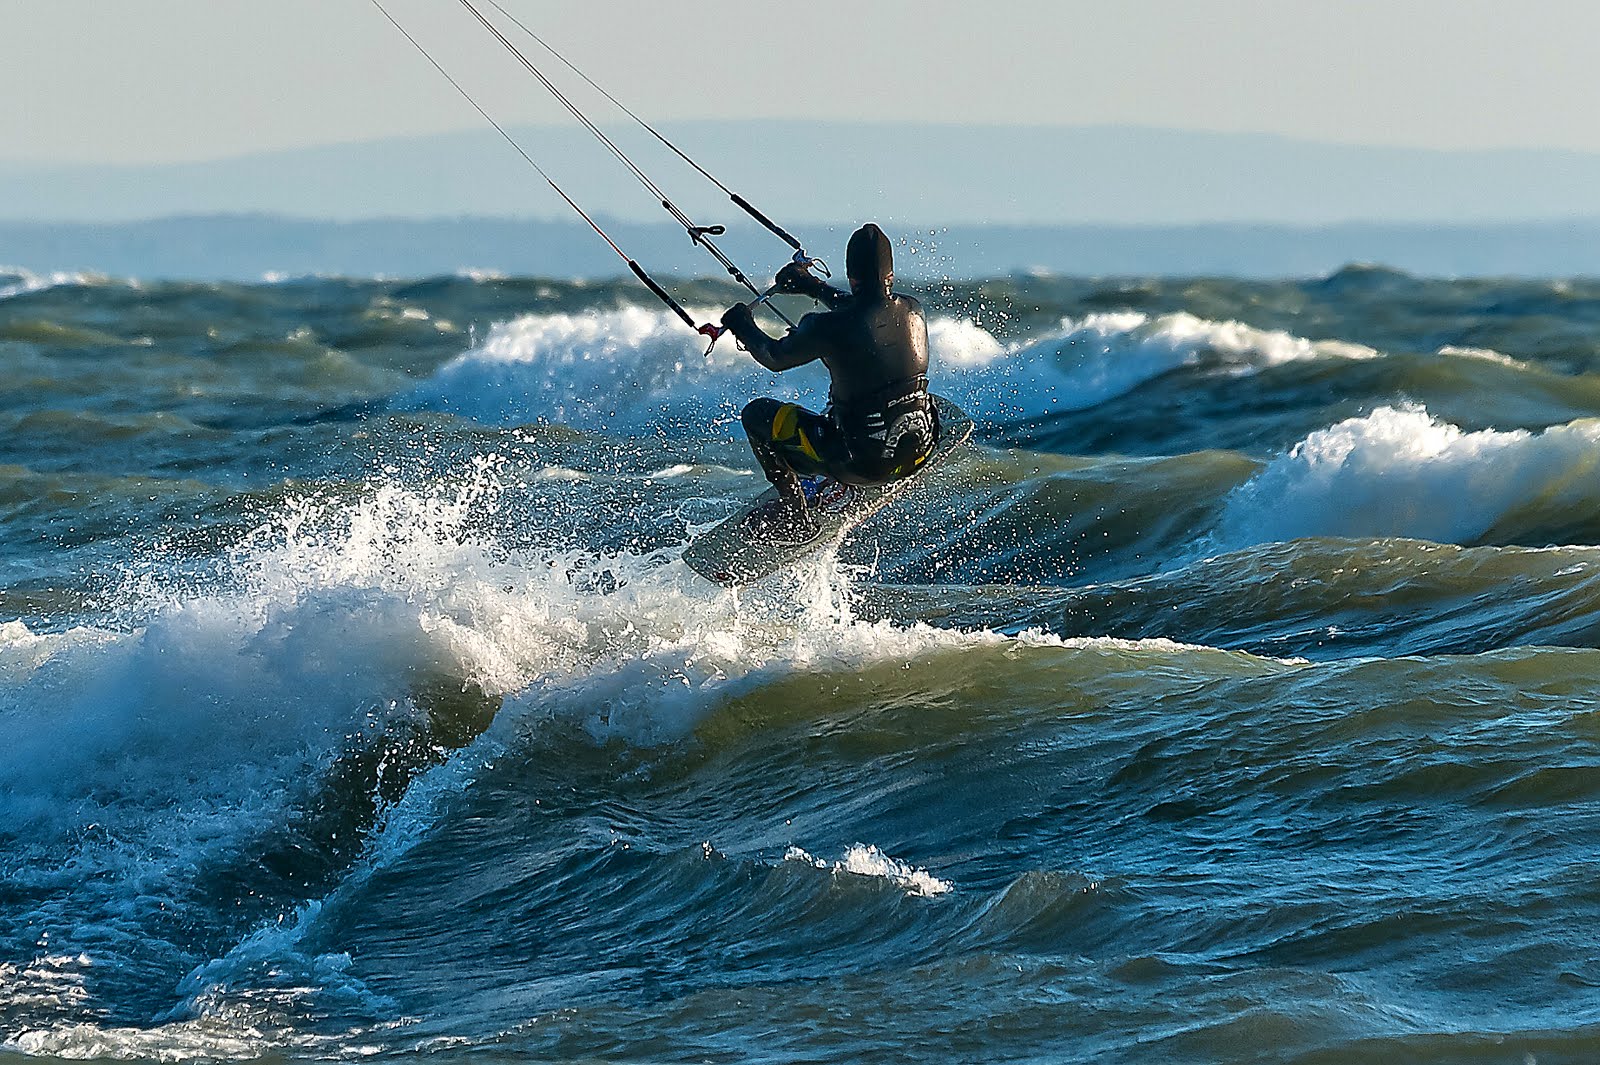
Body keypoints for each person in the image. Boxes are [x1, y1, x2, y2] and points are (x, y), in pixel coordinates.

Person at [719, 223, 938, 537]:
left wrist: (742, 325)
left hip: (864, 466)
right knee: (858, 394)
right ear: (890, 276)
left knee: (757, 415)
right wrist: (814, 287)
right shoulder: (913, 310)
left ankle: (795, 514)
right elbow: (863, 310)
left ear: (851, 277)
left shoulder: (826, 327)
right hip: (918, 449)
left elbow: (773, 357)